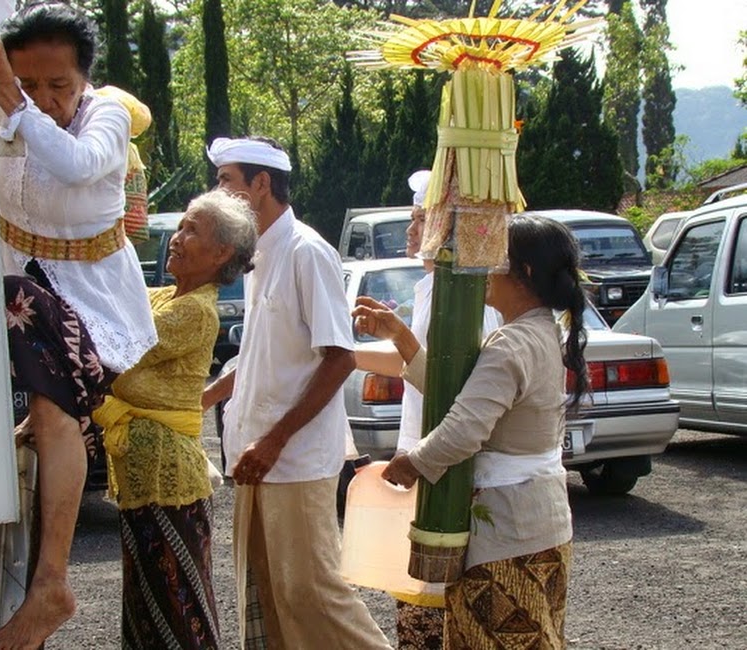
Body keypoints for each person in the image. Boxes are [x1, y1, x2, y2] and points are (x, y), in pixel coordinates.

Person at [0, 5, 158, 649]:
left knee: (53, 412)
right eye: (31, 84)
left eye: (59, 87)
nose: (45, 101)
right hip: (16, 294)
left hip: (94, 306)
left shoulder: (105, 116)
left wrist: (11, 99)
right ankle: (26, 585)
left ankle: (53, 581)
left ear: (84, 81)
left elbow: (78, 165)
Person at [354, 214, 589, 649]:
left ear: (526, 273)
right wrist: (401, 336)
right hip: (537, 522)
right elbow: (462, 399)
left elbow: (464, 427)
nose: (483, 269)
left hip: (507, 532)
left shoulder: (512, 342)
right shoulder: (535, 332)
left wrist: (412, 464)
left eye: (494, 257)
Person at [201, 137, 391, 650]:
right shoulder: (256, 253)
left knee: (310, 593)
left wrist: (274, 441)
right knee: (266, 593)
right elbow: (265, 356)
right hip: (255, 456)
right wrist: (206, 396)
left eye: (226, 182)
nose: (218, 193)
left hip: (294, 458)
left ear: (261, 185)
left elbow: (339, 357)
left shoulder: (308, 251)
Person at [93, 189, 257, 649]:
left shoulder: (195, 311)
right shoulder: (166, 295)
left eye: (192, 230)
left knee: (177, 610)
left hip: (170, 484)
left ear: (221, 253)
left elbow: (120, 346)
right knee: (147, 608)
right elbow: (110, 295)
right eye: (180, 227)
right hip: (144, 482)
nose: (177, 238)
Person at [354, 170, 500, 649]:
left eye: (422, 219)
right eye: (415, 219)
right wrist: (345, 353)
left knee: (436, 594)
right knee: (416, 588)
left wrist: (396, 335)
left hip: (445, 458)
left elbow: (448, 382)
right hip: (423, 448)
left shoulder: (465, 293)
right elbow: (412, 365)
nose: (412, 230)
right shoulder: (430, 284)